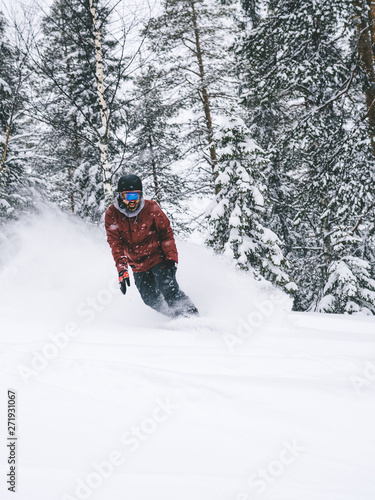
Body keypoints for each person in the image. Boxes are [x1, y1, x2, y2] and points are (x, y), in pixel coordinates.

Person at [105, 173, 198, 318]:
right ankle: (175, 316)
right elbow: (115, 244)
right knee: (149, 298)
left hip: (158, 258)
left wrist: (171, 258)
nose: (132, 201)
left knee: (169, 289)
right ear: (120, 196)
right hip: (137, 265)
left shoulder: (151, 208)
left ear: (140, 195)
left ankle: (191, 315)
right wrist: (122, 270)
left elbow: (166, 233)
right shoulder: (112, 214)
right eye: (128, 197)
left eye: (135, 196)